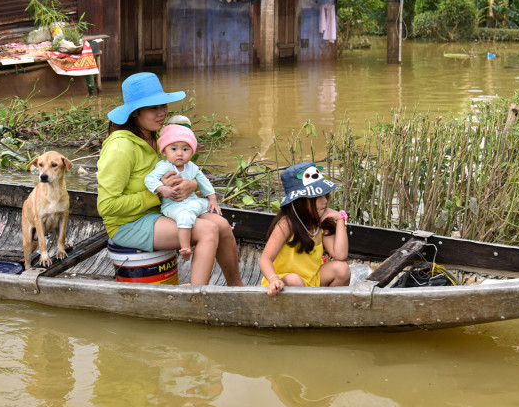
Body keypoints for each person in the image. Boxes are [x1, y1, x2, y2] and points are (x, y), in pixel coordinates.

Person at [96, 72, 243, 286]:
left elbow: (183, 173)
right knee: (208, 230)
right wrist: (157, 194)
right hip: (128, 224)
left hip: (162, 211)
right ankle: (195, 297)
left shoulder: (159, 138)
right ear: (135, 112)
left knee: (220, 224)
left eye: (163, 105)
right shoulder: (121, 147)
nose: (162, 113)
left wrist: (191, 185)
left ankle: (237, 287)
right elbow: (106, 207)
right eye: (153, 108)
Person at [259, 162, 350, 296]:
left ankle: (326, 307)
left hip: (312, 279)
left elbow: (340, 255)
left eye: (325, 196)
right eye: (318, 197)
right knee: (294, 279)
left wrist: (340, 220)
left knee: (342, 269)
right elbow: (265, 260)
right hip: (284, 281)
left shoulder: (321, 222)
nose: (325, 201)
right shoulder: (287, 224)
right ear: (300, 201)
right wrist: (273, 279)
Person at [143, 122, 220, 261]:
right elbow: (149, 179)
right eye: (174, 149)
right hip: (173, 206)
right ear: (164, 151)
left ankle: (221, 226)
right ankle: (185, 248)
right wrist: (161, 188)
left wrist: (213, 198)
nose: (180, 153)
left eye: (185, 149)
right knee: (185, 217)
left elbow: (204, 182)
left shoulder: (192, 167)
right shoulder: (164, 166)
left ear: (192, 152)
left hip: (192, 202)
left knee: (208, 204)